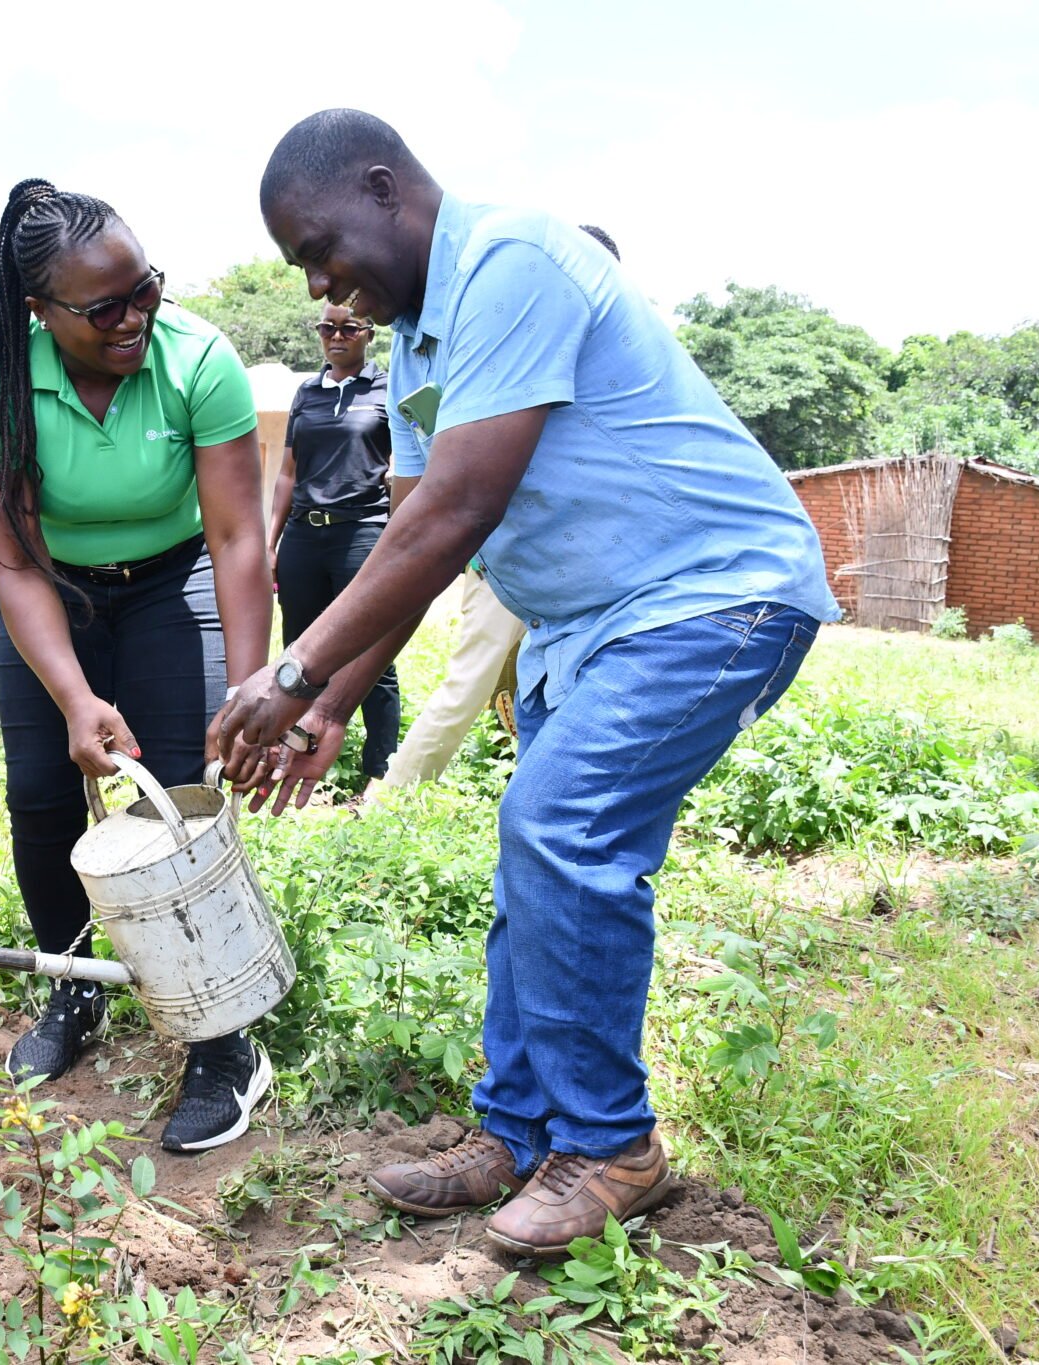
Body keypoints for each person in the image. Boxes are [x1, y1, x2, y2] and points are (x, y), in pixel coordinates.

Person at [222, 110, 840, 1253]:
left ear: (382, 187)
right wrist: (331, 705)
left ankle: (611, 1147)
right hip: (588, 623)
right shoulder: (414, 340)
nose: (325, 287)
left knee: (560, 829)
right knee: (534, 854)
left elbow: (460, 507)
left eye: (322, 250)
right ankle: (516, 1130)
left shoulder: (512, 259)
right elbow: (413, 532)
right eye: (304, 269)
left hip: (708, 592)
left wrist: (294, 665)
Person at [0, 178, 275, 1153]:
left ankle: (223, 1042)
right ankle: (73, 989)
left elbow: (234, 538)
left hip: (170, 577)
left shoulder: (197, 360)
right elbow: (7, 559)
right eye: (105, 307)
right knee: (40, 796)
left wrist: (254, 687)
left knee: (177, 798)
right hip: (52, 588)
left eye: (146, 288)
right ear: (36, 312)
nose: (136, 316)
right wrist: (74, 694)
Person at [381, 225, 622, 785]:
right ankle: (394, 796)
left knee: (550, 685)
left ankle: (535, 789)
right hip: (499, 555)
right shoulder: (504, 341)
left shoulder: (601, 363)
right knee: (471, 682)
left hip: (576, 565)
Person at [267, 300, 397, 791]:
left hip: (362, 532)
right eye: (327, 328)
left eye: (347, 328)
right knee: (298, 654)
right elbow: (287, 473)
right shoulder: (306, 392)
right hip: (304, 534)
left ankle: (378, 772)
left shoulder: (389, 388)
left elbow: (414, 451)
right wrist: (270, 541)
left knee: (371, 654)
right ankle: (291, 753)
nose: (335, 337)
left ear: (368, 334)